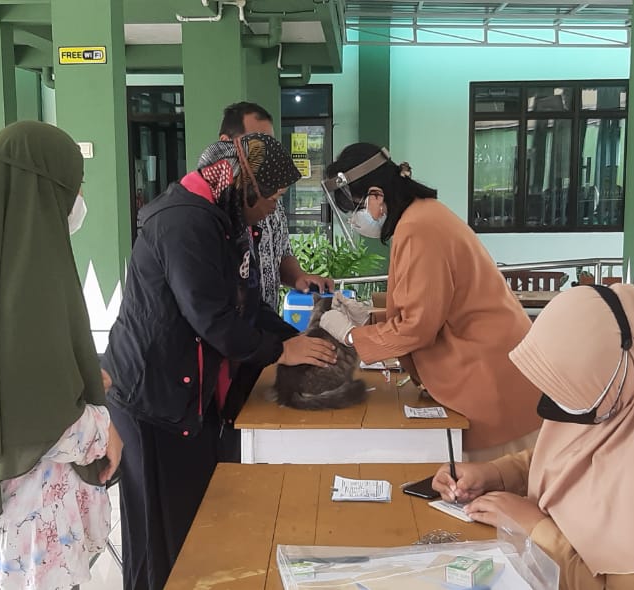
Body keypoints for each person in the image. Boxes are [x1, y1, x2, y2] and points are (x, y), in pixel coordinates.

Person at [106, 133, 338, 590]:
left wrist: (298, 342)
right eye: (271, 197)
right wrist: (280, 351)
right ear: (245, 187)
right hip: (153, 398)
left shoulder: (226, 219)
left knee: (197, 526)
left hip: (191, 393)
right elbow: (211, 317)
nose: (274, 208)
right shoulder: (184, 222)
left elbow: (248, 307)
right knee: (159, 540)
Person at [433, 284, 634, 589]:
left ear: (623, 369)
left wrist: (535, 527)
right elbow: (566, 455)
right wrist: (496, 473)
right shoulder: (619, 402)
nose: (560, 406)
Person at [0, 121, 124, 590]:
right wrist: (105, 430)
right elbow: (38, 419)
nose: (78, 201)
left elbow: (7, 379)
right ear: (46, 190)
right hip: (32, 518)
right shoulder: (32, 281)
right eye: (74, 187)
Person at [315, 143, 542, 460]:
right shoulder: (423, 215)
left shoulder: (418, 229)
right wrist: (369, 319)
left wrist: (351, 336)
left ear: (377, 196)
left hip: (490, 377)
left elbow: (419, 327)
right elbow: (428, 308)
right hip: (496, 367)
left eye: (356, 207)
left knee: (495, 490)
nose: (356, 219)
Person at [211, 101, 335, 309]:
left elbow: (282, 253)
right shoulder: (207, 210)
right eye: (258, 145)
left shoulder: (272, 203)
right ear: (226, 144)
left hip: (264, 322)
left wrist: (299, 278)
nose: (267, 157)